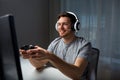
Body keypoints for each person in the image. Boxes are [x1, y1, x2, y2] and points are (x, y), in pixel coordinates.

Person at [20, 11, 92, 80]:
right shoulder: (55, 42)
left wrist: (51, 56)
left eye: (65, 24)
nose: (60, 27)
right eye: (59, 24)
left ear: (74, 26)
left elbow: (76, 74)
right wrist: (30, 56)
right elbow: (39, 65)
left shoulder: (84, 45)